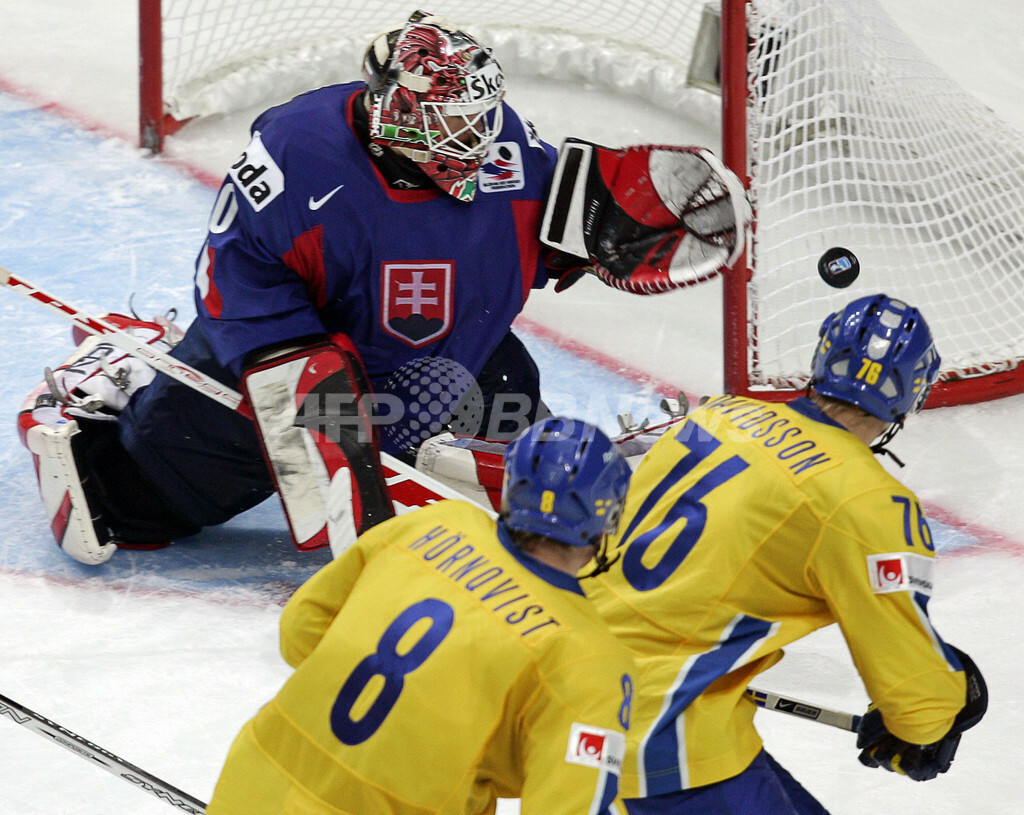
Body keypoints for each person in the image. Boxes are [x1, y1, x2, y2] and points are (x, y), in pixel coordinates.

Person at [17, 9, 749, 565]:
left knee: (532, 511)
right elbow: (233, 274)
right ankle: (116, 377)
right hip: (301, 357)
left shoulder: (504, 150)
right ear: (400, 110)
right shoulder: (300, 155)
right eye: (457, 123)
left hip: (454, 358)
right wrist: (303, 384)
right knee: (142, 505)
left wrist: (615, 221)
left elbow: (556, 220)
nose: (480, 137)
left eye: (482, 118)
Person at [582, 293, 987, 813]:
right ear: (912, 395)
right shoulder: (867, 502)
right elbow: (918, 702)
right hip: (651, 730)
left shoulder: (715, 417)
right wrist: (938, 712)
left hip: (568, 674)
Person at [203, 416, 635, 815]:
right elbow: (567, 805)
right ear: (610, 516)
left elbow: (301, 628)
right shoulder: (589, 656)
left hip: (256, 781)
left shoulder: (434, 524)